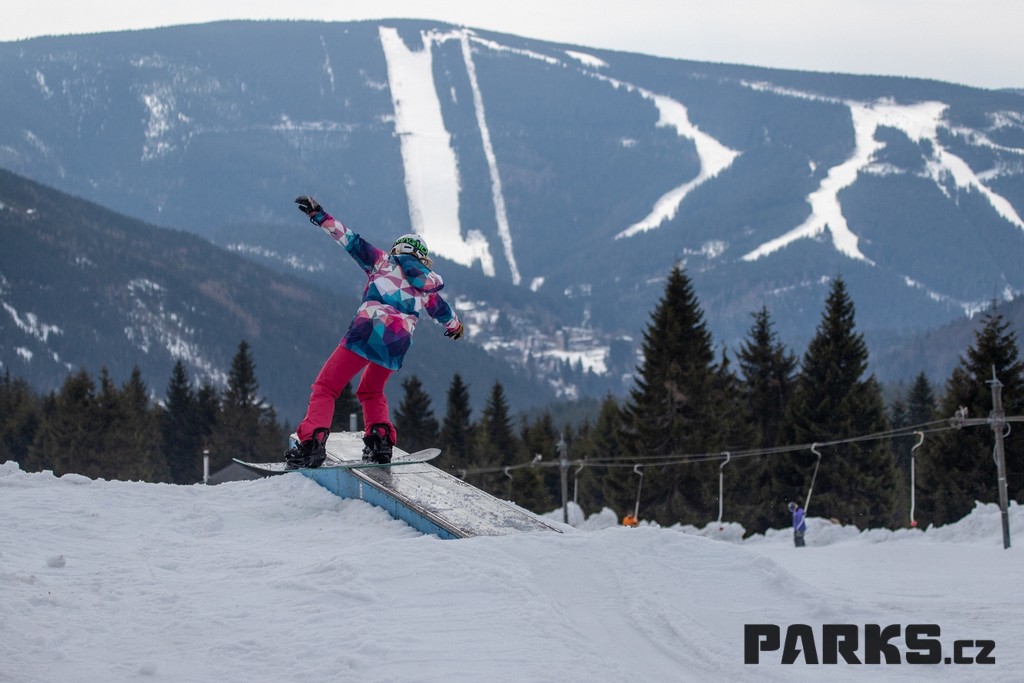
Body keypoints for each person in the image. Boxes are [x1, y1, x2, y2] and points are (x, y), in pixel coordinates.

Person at [283, 195, 464, 469]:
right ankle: (380, 442)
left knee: (326, 387)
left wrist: (318, 215)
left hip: (367, 332)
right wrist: (456, 328)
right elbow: (445, 313)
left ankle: (312, 443)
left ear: (398, 249)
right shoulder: (426, 287)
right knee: (371, 390)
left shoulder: (382, 261)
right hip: (397, 344)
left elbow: (349, 240)